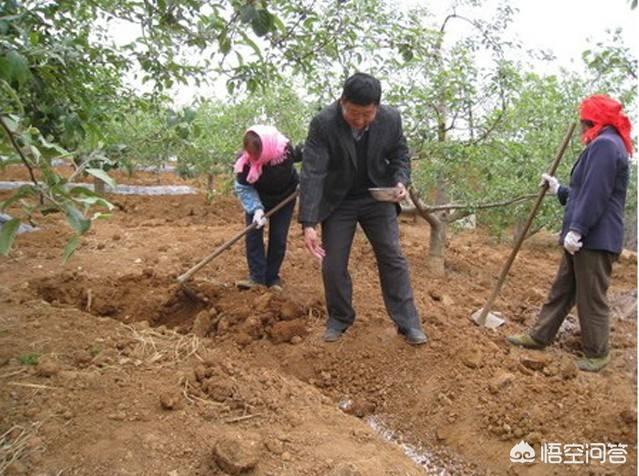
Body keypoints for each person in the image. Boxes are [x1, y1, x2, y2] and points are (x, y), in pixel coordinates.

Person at [298, 72, 427, 345]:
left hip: (377, 198)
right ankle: (339, 318)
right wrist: (308, 223)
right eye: (353, 113)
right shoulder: (323, 124)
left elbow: (400, 155)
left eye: (366, 115)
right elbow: (313, 172)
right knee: (332, 264)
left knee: (392, 257)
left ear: (376, 108)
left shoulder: (391, 119)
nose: (359, 121)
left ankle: (408, 323)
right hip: (339, 200)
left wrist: (400, 180)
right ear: (342, 101)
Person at [507, 94, 633, 372]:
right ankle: (540, 335)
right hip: (585, 238)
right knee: (563, 290)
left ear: (593, 119)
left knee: (591, 296)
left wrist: (577, 230)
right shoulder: (604, 144)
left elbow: (596, 195)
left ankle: (597, 353)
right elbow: (583, 192)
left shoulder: (605, 145)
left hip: (594, 239)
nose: (580, 126)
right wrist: (559, 189)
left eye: (583, 120)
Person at [233, 125, 302, 291]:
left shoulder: (285, 151)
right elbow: (243, 187)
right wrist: (256, 209)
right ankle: (256, 278)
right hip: (258, 198)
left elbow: (310, 156)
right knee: (253, 236)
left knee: (278, 238)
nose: (253, 157)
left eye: (256, 154)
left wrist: (304, 182)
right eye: (250, 153)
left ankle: (272, 278)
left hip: (285, 197)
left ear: (266, 147)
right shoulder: (244, 162)